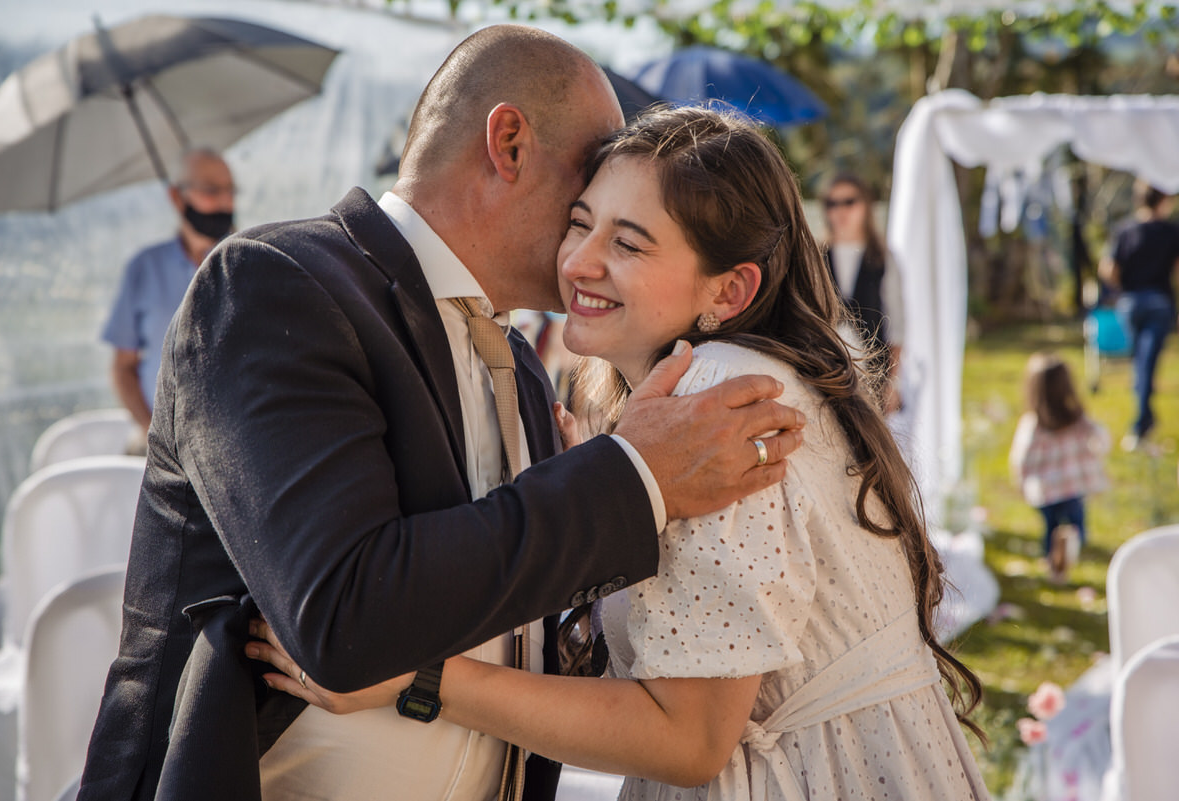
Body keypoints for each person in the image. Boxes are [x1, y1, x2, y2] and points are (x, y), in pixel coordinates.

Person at [77, 27, 804, 801]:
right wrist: (630, 476)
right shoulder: (276, 286)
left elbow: (510, 625)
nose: (602, 205)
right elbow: (343, 618)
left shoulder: (520, 365)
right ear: (509, 144)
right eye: (591, 172)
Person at [253, 106, 991, 801]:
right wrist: (599, 492)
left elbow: (689, 738)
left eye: (628, 243)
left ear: (728, 291)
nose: (579, 261)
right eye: (580, 223)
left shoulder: (720, 399)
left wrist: (420, 678)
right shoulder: (720, 389)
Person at [100, 148, 236, 445]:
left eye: (231, 191)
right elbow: (124, 366)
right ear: (176, 197)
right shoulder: (145, 268)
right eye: (212, 191)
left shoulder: (249, 261)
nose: (226, 202)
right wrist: (155, 436)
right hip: (167, 442)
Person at [1009, 352, 1110, 583]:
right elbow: (1101, 436)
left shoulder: (1033, 424)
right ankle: (1070, 545)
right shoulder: (1077, 418)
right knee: (1076, 525)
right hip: (1073, 486)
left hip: (1046, 490)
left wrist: (1021, 481)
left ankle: (1054, 563)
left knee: (1051, 526)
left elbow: (1021, 458)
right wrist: (1098, 449)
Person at [1099, 181, 1179, 450]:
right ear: (1163, 200)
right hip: (1158, 303)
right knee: (1146, 363)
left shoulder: (1125, 230)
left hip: (1130, 304)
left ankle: (1144, 419)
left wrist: (1122, 287)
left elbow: (1108, 268)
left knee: (1140, 362)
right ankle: (1141, 424)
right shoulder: (1170, 231)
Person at [820, 173, 906, 415]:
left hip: (873, 377)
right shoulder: (816, 256)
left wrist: (893, 382)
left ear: (866, 205)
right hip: (825, 377)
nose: (841, 211)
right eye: (832, 203)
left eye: (849, 202)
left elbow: (896, 325)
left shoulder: (883, 258)